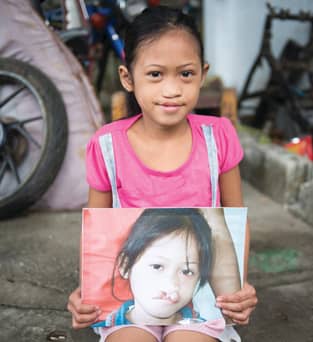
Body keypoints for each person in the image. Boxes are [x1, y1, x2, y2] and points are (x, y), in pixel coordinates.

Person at [67, 5, 258, 342]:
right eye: (155, 74)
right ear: (128, 78)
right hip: (128, 302)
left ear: (202, 72)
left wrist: (240, 289)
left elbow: (232, 225)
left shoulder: (218, 137)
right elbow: (96, 237)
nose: (172, 89)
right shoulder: (107, 147)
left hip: (198, 302)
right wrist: (84, 291)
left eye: (186, 74)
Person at [93, 208, 216, 328]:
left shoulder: (206, 329)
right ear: (125, 266)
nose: (171, 284)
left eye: (186, 271)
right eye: (157, 266)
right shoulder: (105, 327)